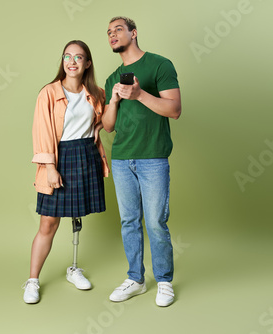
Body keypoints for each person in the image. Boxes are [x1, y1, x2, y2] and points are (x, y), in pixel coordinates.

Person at [103, 16, 181, 307]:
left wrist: (139, 94)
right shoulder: (113, 78)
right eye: (109, 32)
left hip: (153, 158)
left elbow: (174, 109)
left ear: (134, 33)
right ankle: (135, 278)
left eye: (118, 30)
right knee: (129, 222)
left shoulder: (160, 65)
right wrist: (114, 100)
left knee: (156, 222)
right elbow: (108, 126)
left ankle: (164, 280)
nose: (112, 35)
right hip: (122, 159)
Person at [23, 40, 109, 304]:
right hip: (59, 156)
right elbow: (42, 131)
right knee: (48, 222)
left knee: (77, 214)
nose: (72, 62)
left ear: (87, 63)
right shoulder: (48, 93)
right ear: (62, 61)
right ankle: (33, 281)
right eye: (67, 57)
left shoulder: (97, 92)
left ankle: (73, 268)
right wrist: (49, 167)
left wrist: (101, 125)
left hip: (86, 154)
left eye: (78, 57)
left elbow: (105, 121)